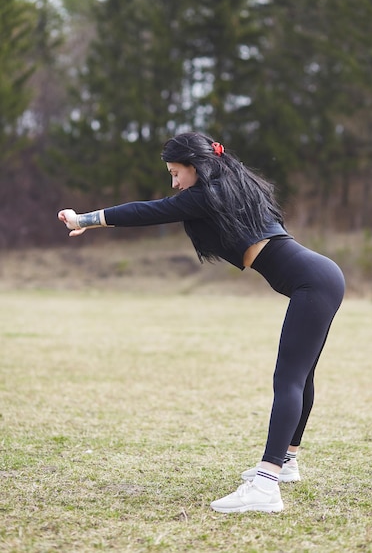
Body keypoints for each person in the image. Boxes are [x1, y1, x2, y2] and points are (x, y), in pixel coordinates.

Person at [58, 131, 345, 514]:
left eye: (176, 173)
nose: (174, 183)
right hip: (321, 277)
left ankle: (266, 483)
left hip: (314, 282)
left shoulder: (208, 194)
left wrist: (86, 218)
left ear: (196, 166)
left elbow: (149, 211)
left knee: (289, 379)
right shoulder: (228, 184)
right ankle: (287, 462)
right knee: (302, 377)